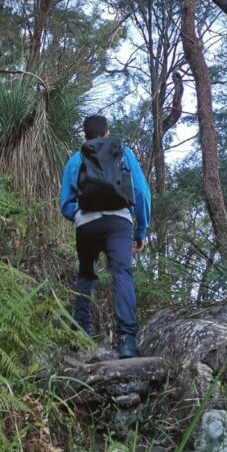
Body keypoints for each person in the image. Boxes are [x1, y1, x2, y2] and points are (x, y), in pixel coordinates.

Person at [59, 114, 151, 358]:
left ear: (85, 136)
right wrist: (140, 230)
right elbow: (141, 192)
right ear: (107, 133)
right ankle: (127, 342)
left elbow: (65, 204)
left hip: (86, 224)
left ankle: (82, 336)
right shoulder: (124, 152)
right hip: (119, 222)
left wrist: (80, 215)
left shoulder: (75, 160)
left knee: (86, 275)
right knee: (122, 274)